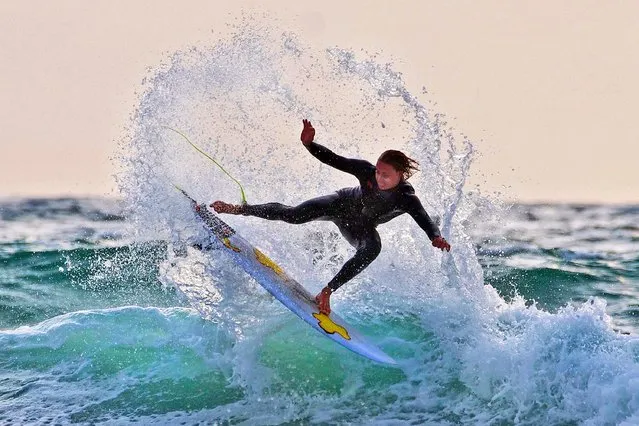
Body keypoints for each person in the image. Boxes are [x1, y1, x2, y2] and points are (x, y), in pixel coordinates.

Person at [211, 119, 450, 315]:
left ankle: (327, 291)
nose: (379, 178)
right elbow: (334, 159)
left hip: (360, 226)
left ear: (401, 175)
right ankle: (239, 209)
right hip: (340, 204)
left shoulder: (406, 198)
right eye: (378, 171)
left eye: (386, 175)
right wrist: (309, 144)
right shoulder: (366, 171)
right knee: (295, 215)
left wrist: (435, 237)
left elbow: (424, 219)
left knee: (372, 249)